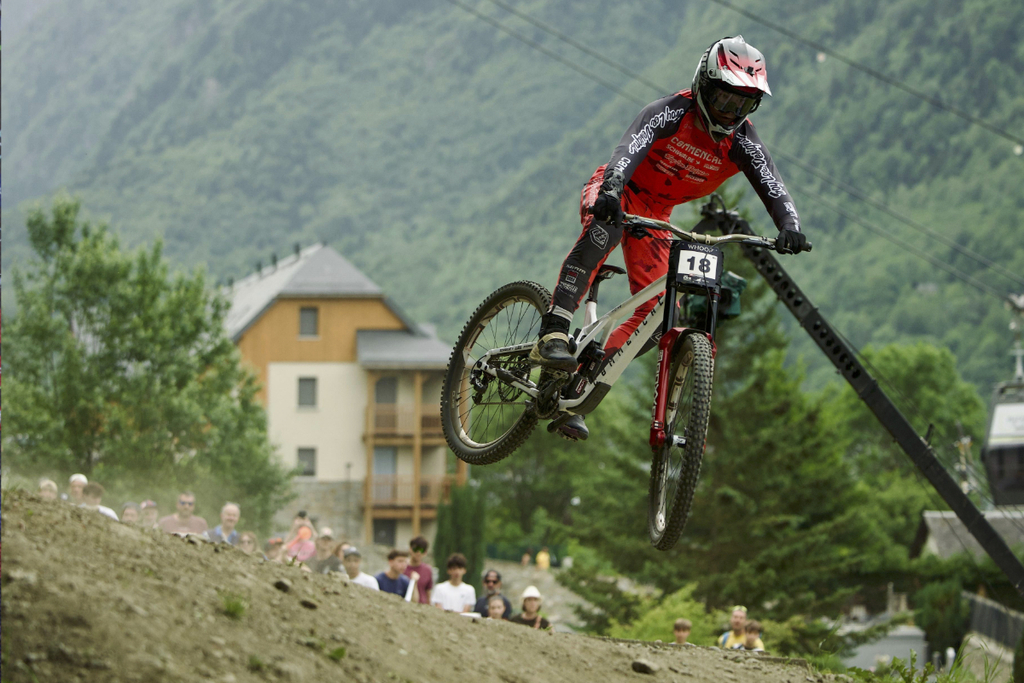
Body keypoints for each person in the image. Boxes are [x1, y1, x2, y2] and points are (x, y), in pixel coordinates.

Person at [530, 36, 808, 441]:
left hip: (656, 214)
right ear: (703, 85)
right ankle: (554, 330)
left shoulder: (743, 142)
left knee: (659, 314)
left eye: (742, 105)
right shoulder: (671, 112)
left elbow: (772, 185)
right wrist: (612, 189)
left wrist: (790, 226)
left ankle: (577, 386)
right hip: (619, 189)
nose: (730, 113)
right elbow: (629, 150)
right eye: (723, 99)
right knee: (603, 230)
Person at [404, 535, 434, 605]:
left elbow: (428, 593)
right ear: (410, 549)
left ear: (425, 553)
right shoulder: (402, 567)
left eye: (422, 550)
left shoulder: (427, 570)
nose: (418, 553)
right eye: (416, 549)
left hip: (421, 606)